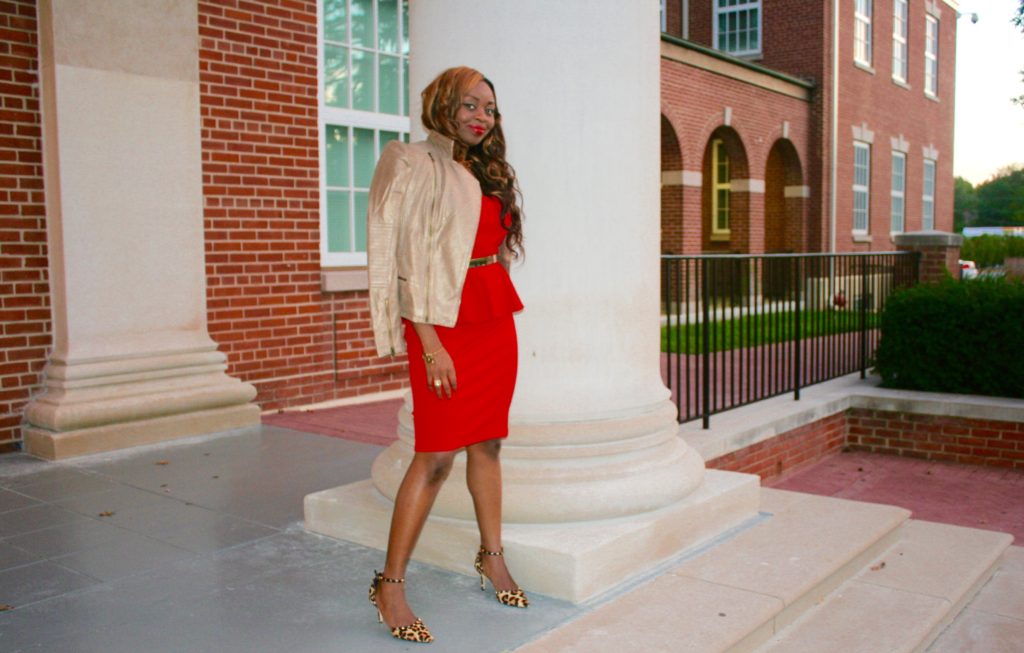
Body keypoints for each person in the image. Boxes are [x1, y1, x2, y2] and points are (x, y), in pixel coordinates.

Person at [365, 66, 527, 644]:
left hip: (491, 319)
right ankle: (389, 584)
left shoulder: (489, 170)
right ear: (440, 106)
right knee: (434, 456)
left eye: (489, 106)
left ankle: (492, 555)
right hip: (440, 325)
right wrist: (428, 343)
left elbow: (496, 248)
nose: (481, 116)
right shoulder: (412, 162)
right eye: (468, 104)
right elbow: (403, 260)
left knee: (488, 443)